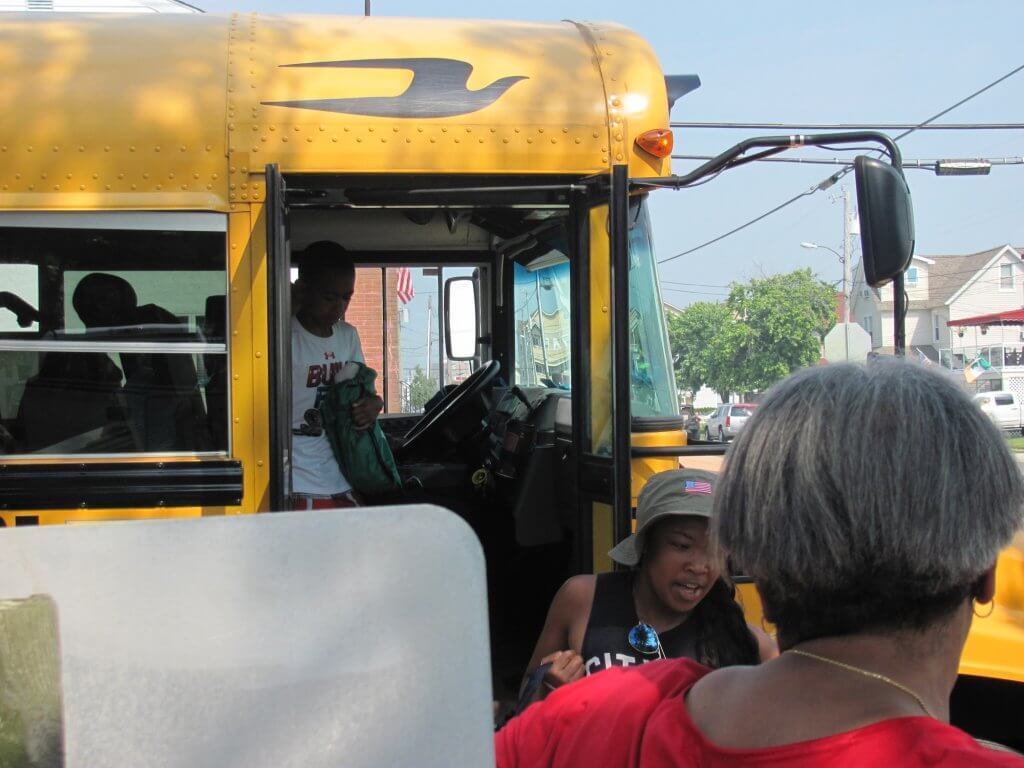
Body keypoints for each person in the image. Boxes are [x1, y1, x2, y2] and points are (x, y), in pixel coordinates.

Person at [496, 359, 1024, 766]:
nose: (697, 565)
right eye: (681, 544)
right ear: (983, 576)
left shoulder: (581, 717)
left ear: (760, 576)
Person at [518, 468, 776, 706]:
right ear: (646, 545)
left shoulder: (742, 641)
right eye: (682, 545)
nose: (700, 566)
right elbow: (525, 700)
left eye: (716, 550)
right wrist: (549, 690)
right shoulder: (581, 598)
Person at [291, 241, 383, 510]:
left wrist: (373, 405)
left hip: (341, 468)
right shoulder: (285, 337)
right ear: (303, 290)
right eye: (329, 298)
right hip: (298, 476)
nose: (339, 307)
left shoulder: (347, 336)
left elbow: (365, 392)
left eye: (346, 298)